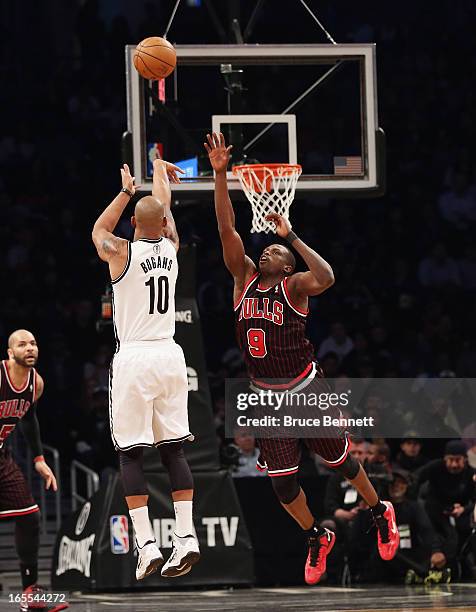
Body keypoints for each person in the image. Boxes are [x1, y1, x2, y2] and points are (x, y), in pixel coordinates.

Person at [205, 132, 399, 585]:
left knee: (340, 461)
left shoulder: (296, 287)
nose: (267, 250)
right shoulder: (244, 279)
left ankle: (378, 510)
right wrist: (219, 175)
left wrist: (289, 233)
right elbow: (226, 229)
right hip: (266, 397)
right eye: (268, 248)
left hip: (305, 387)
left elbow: (327, 277)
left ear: (288, 265)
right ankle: (316, 536)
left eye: (277, 251)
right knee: (282, 486)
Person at [91, 159, 200, 580]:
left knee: (131, 452)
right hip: (171, 356)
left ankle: (148, 545)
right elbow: (165, 212)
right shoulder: (172, 248)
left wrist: (125, 191)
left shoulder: (121, 253)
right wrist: (158, 172)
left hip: (135, 357)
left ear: (134, 220)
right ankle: (187, 538)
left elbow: (98, 231)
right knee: (173, 449)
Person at [0, 330, 68, 612]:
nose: (29, 348)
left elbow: (28, 418)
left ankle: (30, 591)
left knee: (30, 515)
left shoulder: (35, 384)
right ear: (9, 353)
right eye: (22, 344)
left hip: (2, 455)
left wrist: (39, 458)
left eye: (33, 343)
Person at [415, 439, 476, 576]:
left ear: (465, 460)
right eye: (450, 460)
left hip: (461, 513)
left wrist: (464, 509)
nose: (454, 464)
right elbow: (414, 478)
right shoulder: (435, 467)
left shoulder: (471, 474)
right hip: (435, 512)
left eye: (458, 460)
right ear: (444, 459)